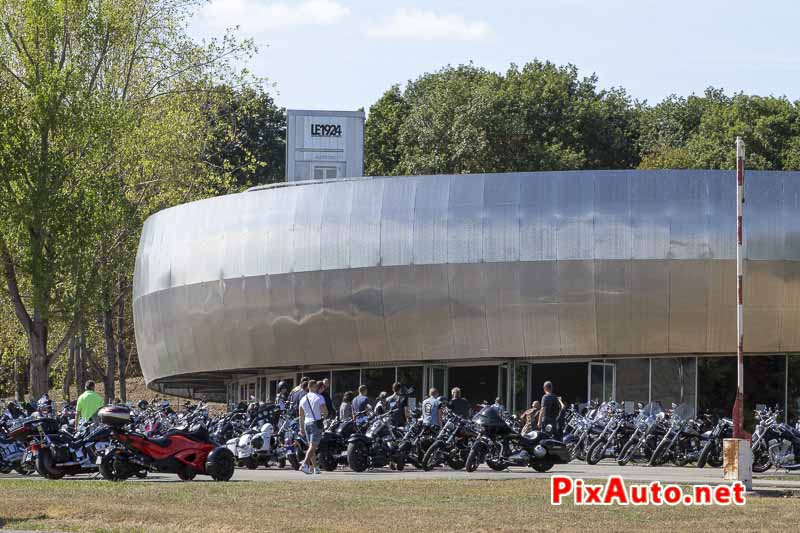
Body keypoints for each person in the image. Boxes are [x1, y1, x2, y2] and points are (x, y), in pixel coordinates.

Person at [298, 380, 328, 475]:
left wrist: (301, 428)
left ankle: (315, 468)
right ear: (315, 387)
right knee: (313, 447)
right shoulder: (319, 397)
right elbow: (325, 411)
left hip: (306, 423)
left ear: (308, 387)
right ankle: (304, 464)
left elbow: (300, 415)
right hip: (316, 423)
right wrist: (324, 415)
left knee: (311, 447)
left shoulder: (303, 399)